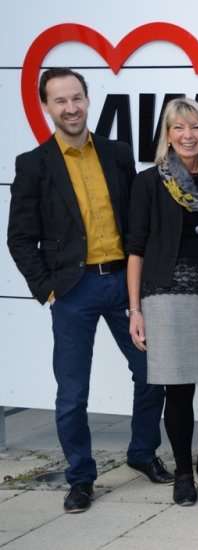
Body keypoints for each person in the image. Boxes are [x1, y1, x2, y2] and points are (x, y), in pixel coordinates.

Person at [7, 68, 171, 514]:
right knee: (72, 392)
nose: (71, 108)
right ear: (46, 106)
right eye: (60, 101)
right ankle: (80, 476)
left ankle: (141, 452)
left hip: (122, 283)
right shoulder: (33, 164)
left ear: (87, 98)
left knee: (152, 370)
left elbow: (138, 222)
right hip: (72, 291)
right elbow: (19, 238)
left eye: (76, 98)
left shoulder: (118, 154)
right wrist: (48, 290)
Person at [126, 98, 198, 506]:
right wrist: (135, 310)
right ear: (167, 135)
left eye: (195, 128)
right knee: (180, 391)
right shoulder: (149, 182)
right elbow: (135, 249)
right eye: (178, 128)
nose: (187, 136)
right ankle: (184, 473)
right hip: (165, 298)